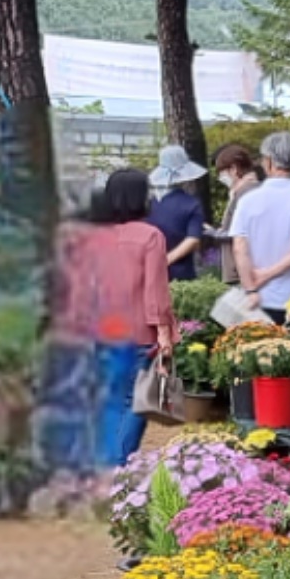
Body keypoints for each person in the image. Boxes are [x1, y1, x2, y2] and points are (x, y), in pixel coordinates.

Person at [53, 166, 174, 470]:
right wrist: (164, 334)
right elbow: (155, 291)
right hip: (138, 333)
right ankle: (118, 466)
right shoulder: (151, 236)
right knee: (135, 401)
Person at [227, 131, 290, 322]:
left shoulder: (248, 201)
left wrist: (251, 288)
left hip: (257, 299)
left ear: (268, 161)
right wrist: (266, 275)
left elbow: (239, 248)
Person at [146, 142, 212, 282]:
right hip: (181, 274)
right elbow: (192, 240)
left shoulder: (148, 203)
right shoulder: (191, 204)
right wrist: (166, 260)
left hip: (148, 270)